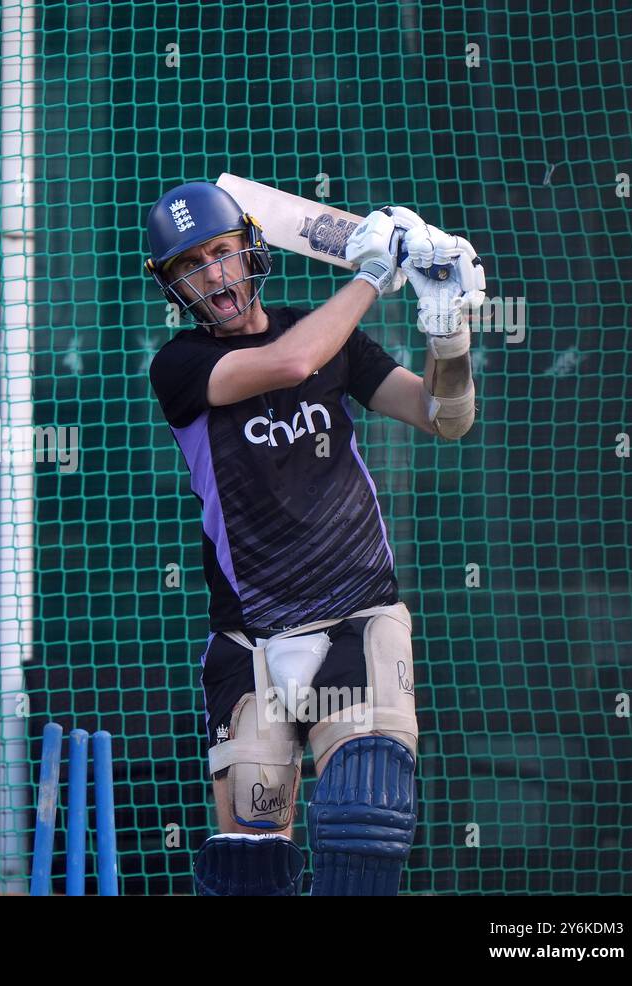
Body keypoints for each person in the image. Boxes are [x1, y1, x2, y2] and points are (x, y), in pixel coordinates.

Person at [143, 181, 484, 895]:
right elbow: (291, 363)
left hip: (357, 617)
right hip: (251, 637)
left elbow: (442, 416)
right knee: (249, 870)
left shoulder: (331, 338)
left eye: (222, 253)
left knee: (366, 822)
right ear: (174, 288)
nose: (213, 275)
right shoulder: (180, 365)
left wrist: (449, 332)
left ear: (251, 252)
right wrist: (371, 273)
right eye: (191, 266)